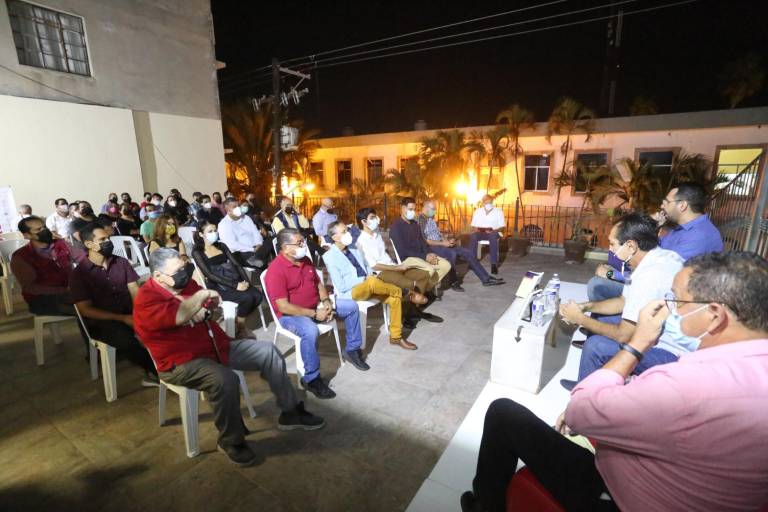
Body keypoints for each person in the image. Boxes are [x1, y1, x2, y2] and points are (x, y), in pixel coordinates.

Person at [462, 251, 768, 512]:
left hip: (618, 495)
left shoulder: (685, 386)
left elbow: (581, 412)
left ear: (714, 315)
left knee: (503, 413)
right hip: (685, 482)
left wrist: (638, 344)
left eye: (678, 300)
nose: (669, 308)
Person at [133, 248, 325, 467]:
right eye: (178, 270)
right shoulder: (147, 299)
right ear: (158, 276)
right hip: (180, 362)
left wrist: (206, 307)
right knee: (225, 379)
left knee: (267, 352)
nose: (185, 273)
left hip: (215, 346)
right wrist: (202, 296)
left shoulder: (184, 285)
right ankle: (230, 441)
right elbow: (181, 313)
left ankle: (290, 411)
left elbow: (208, 307)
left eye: (184, 267)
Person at [559, 213, 684, 390]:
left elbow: (623, 335)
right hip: (656, 334)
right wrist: (586, 307)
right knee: (601, 318)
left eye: (612, 244)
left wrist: (579, 318)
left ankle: (587, 394)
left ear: (631, 245)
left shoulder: (650, 276)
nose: (610, 249)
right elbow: (622, 301)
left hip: (669, 355)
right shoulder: (656, 258)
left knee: (596, 346)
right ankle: (592, 379)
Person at [264, 228, 366, 399]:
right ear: (285, 247)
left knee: (352, 307)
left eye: (302, 242)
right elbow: (283, 307)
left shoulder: (304, 260)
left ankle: (352, 350)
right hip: (291, 316)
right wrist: (314, 314)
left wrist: (326, 302)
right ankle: (311, 379)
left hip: (315, 305)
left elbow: (318, 284)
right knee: (310, 331)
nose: (303, 245)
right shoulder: (276, 270)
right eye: (299, 243)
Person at [69, 223, 158, 385]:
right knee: (128, 341)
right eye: (103, 239)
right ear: (89, 245)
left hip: (128, 313)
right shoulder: (79, 274)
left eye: (108, 238)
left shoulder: (121, 263)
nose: (108, 241)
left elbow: (134, 291)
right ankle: (157, 374)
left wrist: (140, 314)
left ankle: (178, 362)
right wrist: (122, 318)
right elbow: (85, 309)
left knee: (161, 324)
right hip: (103, 322)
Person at [324, 221, 426, 351]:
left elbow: (366, 267)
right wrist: (364, 279)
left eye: (347, 230)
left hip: (371, 285)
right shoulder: (329, 256)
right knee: (372, 282)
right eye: (344, 232)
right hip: (351, 292)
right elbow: (341, 285)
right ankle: (405, 292)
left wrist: (370, 275)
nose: (348, 233)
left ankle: (396, 337)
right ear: (334, 237)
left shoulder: (354, 248)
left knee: (394, 299)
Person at [355, 207, 442, 325]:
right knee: (409, 283)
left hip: (393, 266)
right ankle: (407, 315)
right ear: (363, 222)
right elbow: (374, 266)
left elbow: (385, 255)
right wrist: (396, 268)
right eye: (372, 218)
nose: (376, 219)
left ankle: (412, 311)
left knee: (423, 275)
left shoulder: (377, 236)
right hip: (381, 273)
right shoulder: (361, 241)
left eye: (375, 216)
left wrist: (398, 265)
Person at [192, 221, 263, 335]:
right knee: (247, 298)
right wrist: (236, 286)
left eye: (215, 230)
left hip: (233, 278)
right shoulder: (198, 252)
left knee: (258, 295)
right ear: (201, 234)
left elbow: (236, 264)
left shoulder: (221, 245)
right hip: (217, 285)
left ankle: (237, 320)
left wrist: (246, 281)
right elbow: (209, 275)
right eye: (210, 231)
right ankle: (241, 328)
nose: (214, 233)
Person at [418, 200, 504, 290]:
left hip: (441, 244)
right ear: (426, 208)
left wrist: (447, 241)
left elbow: (438, 235)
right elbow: (426, 241)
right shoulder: (421, 220)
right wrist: (443, 243)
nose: (435, 211)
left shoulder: (431, 218)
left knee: (467, 252)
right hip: (431, 247)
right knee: (451, 254)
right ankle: (453, 281)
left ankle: (486, 279)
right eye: (433, 209)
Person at [389, 197, 452, 293]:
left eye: (414, 209)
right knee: (430, 270)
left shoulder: (415, 224)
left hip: (421, 256)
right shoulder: (396, 227)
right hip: (408, 258)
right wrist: (425, 256)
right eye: (410, 209)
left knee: (446, 265)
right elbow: (402, 251)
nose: (412, 212)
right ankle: (418, 295)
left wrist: (430, 253)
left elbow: (422, 242)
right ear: (402, 208)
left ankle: (424, 289)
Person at [658, 182, 724, 260]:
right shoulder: (680, 227)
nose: (661, 206)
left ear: (682, 205)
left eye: (666, 203)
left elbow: (667, 267)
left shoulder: (701, 236)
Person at [218, 198, 269, 269]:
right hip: (243, 253)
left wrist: (259, 243)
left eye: (238, 205)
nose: (238, 208)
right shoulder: (224, 225)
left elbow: (255, 232)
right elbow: (233, 244)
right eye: (234, 207)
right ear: (228, 210)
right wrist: (252, 249)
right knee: (261, 263)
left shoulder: (246, 217)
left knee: (273, 242)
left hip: (258, 246)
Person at [469, 195, 505, 275]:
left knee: (492, 236)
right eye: (486, 201)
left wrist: (493, 230)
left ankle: (494, 264)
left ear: (492, 202)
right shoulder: (477, 211)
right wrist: (476, 229)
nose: (488, 203)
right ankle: (472, 262)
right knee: (473, 236)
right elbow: (473, 225)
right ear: (483, 202)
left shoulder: (498, 211)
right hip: (481, 232)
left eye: (490, 202)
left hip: (494, 232)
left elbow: (502, 226)